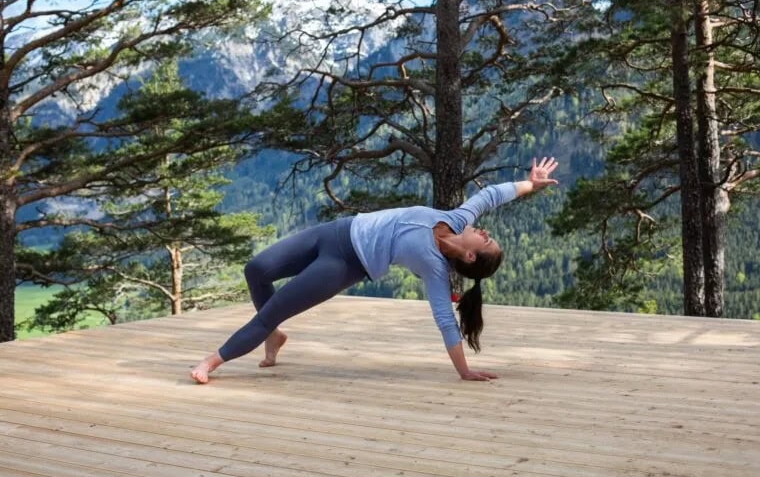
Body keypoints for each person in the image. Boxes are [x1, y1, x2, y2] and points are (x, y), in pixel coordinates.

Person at [191, 157, 558, 383]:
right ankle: (273, 337)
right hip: (334, 232)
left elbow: (445, 320)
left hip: (344, 264)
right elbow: (493, 194)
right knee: (256, 269)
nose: (484, 232)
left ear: (471, 258)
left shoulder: (433, 268)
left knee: (272, 310)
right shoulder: (458, 217)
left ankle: (212, 360)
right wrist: (532, 183)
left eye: (486, 241)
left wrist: (463, 371)